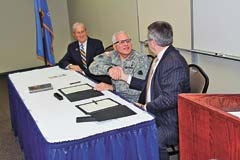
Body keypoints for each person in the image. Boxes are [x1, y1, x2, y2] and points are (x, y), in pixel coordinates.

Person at [112, 21, 190, 159]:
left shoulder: (173, 62)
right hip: (158, 110)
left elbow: (170, 99)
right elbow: (149, 86)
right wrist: (125, 77)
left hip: (170, 120)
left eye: (148, 41)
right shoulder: (159, 58)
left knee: (152, 138)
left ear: (153, 42)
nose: (148, 43)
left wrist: (146, 107)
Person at [89, 31, 151, 102]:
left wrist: (113, 87)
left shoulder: (141, 59)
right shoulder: (112, 55)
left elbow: (139, 88)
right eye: (122, 42)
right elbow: (92, 66)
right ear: (114, 47)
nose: (126, 44)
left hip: (133, 102)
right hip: (114, 96)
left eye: (128, 41)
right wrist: (109, 70)